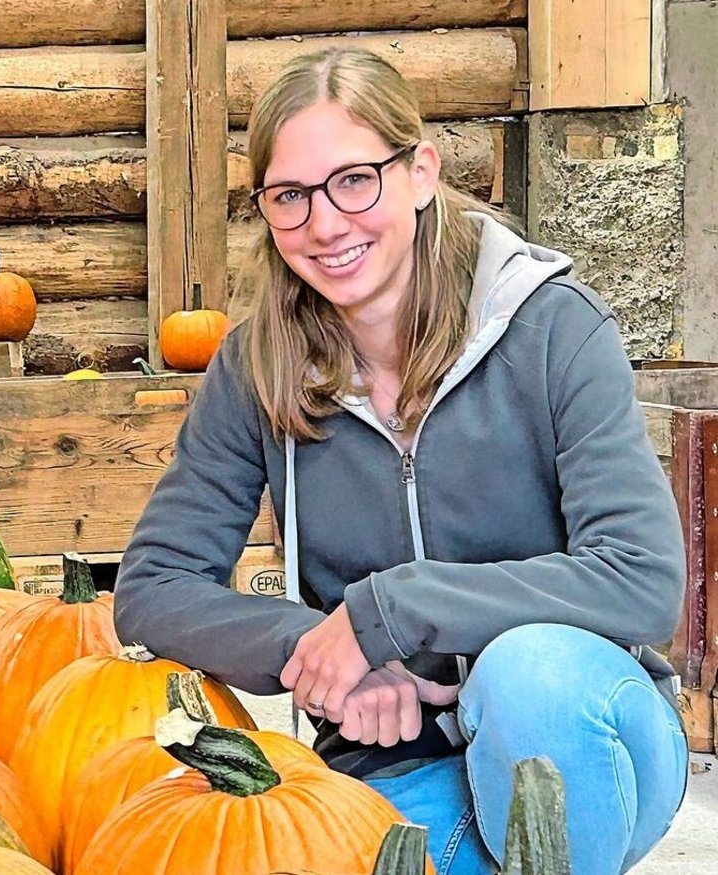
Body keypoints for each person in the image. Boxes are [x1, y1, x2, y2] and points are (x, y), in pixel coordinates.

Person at [113, 46, 688, 874]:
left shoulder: (554, 329)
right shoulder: (255, 369)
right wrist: (324, 653)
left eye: (354, 180)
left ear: (420, 171)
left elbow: (639, 580)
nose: (325, 222)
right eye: (291, 196)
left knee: (529, 674)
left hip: (591, 724)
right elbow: (154, 586)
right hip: (394, 759)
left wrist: (388, 611)